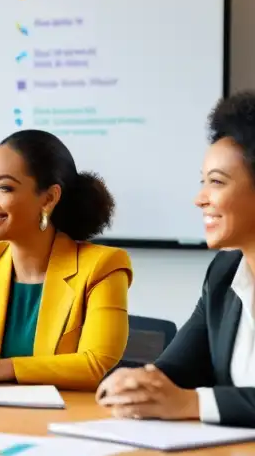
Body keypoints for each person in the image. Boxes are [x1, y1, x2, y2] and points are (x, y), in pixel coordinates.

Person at [0, 129, 132, 391]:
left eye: (4, 187)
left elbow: (94, 363)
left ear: (49, 198)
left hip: (63, 419)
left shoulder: (102, 266)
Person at [98, 93, 255, 427]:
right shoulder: (224, 274)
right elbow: (178, 369)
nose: (200, 199)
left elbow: (185, 397)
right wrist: (139, 384)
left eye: (216, 182)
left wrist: (192, 402)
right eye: (203, 182)